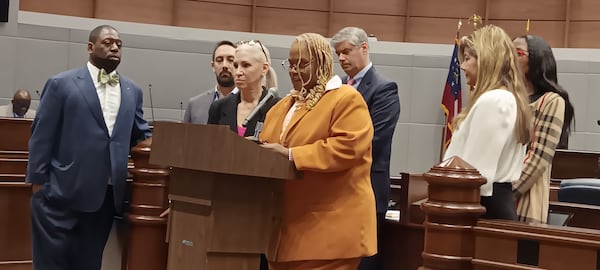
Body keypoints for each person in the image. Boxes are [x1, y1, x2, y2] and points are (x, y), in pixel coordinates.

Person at [27, 25, 151, 270]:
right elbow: (42, 135)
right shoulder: (61, 84)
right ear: (90, 47)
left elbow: (142, 135)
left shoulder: (132, 91)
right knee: (51, 264)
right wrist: (39, 185)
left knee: (89, 264)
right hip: (59, 194)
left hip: (104, 198)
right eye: (107, 42)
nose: (115, 47)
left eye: (119, 43)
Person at [259, 32, 376, 270]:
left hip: (329, 232)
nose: (294, 71)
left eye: (302, 64)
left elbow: (347, 148)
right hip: (284, 233)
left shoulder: (346, 99)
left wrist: (292, 155)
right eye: (290, 65)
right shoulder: (281, 106)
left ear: (322, 61)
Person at [444, 25, 533, 220]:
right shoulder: (504, 98)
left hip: (481, 208)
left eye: (467, 58)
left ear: (486, 60)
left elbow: (476, 172)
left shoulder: (495, 100)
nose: (462, 66)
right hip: (489, 204)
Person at [331, 26, 400, 270]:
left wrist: (330, 149)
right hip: (334, 190)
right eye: (337, 53)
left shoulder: (384, 89)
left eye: (346, 51)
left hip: (366, 188)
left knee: (362, 263)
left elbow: (374, 140)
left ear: (364, 48)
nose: (341, 58)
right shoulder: (335, 86)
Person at [512, 35, 575, 223]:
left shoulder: (551, 101)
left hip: (524, 200)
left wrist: (503, 193)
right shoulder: (506, 97)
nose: (511, 58)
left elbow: (537, 158)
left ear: (537, 59)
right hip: (496, 195)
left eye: (518, 53)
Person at [207, 40, 279, 138]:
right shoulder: (219, 107)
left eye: (246, 65)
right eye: (235, 66)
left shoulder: (277, 107)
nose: (238, 72)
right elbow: (209, 147)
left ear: (264, 68)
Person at [184, 40, 239, 124]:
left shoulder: (249, 104)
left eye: (230, 60)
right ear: (213, 66)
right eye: (219, 60)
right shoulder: (195, 105)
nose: (224, 65)